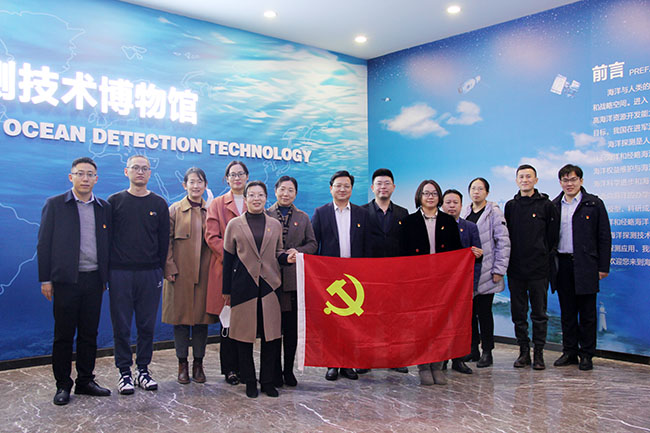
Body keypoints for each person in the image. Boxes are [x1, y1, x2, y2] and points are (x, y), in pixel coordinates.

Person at [37, 157, 112, 406]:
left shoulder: (103, 207)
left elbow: (108, 243)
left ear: (96, 179)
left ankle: (85, 381)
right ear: (71, 177)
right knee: (64, 335)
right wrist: (45, 279)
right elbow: (44, 243)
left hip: (94, 280)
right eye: (80, 174)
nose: (85, 178)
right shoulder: (55, 204)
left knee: (89, 333)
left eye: (90, 174)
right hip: (65, 281)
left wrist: (105, 277)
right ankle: (63, 384)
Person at [222, 181, 296, 398]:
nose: (256, 199)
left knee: (271, 337)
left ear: (266, 198)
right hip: (243, 288)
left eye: (260, 195)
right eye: (252, 195)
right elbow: (228, 259)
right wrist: (227, 291)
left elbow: (278, 252)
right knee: (244, 337)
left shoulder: (274, 224)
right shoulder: (234, 224)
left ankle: (267, 382)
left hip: (270, 287)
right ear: (245, 199)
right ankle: (249, 381)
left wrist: (287, 258)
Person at [108, 154, 170, 394]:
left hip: (150, 274)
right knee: (121, 326)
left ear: (150, 173)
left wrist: (159, 270)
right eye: (136, 168)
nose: (140, 172)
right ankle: (124, 372)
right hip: (120, 273)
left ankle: (143, 370)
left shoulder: (159, 204)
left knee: (146, 326)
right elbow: (107, 240)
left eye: (145, 168)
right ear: (127, 172)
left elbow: (163, 242)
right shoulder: (114, 202)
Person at [550, 164, 611, 371]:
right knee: (567, 311)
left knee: (587, 313)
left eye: (573, 179)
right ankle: (569, 352)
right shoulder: (554, 205)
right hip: (562, 264)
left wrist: (603, 267)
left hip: (586, 264)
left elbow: (604, 237)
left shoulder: (593, 204)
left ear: (581, 181)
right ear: (560, 183)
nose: (569, 184)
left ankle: (586, 354)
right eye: (565, 180)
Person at [311, 170, 369, 381]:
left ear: (352, 189)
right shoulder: (321, 213)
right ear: (331, 188)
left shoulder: (362, 214)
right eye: (338, 185)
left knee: (352, 322)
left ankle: (348, 363)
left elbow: (367, 246)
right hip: (330, 277)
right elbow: (314, 244)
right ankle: (332, 364)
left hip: (355, 276)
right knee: (332, 322)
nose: (342, 189)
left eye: (346, 186)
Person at [403, 180, 462, 385]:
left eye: (434, 193)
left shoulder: (448, 220)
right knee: (421, 326)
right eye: (426, 193)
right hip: (418, 282)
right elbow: (402, 255)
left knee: (441, 324)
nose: (430, 197)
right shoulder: (408, 221)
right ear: (419, 196)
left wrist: (471, 255)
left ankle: (438, 366)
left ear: (439, 197)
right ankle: (423, 366)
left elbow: (457, 252)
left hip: (443, 283)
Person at [162, 167, 217, 384]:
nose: (196, 186)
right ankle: (182, 364)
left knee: (202, 321)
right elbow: (166, 241)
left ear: (205, 185)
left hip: (205, 275)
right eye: (192, 182)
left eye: (200, 182)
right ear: (184, 185)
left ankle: (198, 364)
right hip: (179, 275)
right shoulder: (174, 210)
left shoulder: (211, 210)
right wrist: (169, 267)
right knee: (181, 321)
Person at [504, 164, 559, 370]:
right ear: (516, 180)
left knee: (539, 314)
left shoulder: (546, 205)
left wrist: (543, 254)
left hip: (539, 269)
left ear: (536, 180)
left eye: (529, 177)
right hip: (516, 269)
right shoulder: (511, 206)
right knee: (519, 314)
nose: (525, 180)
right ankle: (523, 352)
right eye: (521, 177)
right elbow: (507, 236)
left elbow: (552, 237)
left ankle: (539, 354)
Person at [266, 176, 318, 387]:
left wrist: (299, 251)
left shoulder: (303, 217)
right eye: (282, 189)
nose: (285, 194)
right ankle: (273, 371)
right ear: (275, 190)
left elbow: (313, 244)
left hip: (294, 283)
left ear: (296, 194)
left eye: (290, 190)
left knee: (291, 330)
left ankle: (288, 370)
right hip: (270, 281)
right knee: (271, 330)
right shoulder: (265, 215)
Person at [205, 161, 249, 386]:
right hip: (226, 270)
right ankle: (230, 369)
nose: (237, 178)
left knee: (246, 322)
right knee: (228, 322)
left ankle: (245, 367)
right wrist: (233, 257)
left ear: (247, 177)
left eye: (241, 174)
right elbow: (212, 237)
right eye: (232, 174)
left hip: (250, 272)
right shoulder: (217, 204)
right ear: (226, 179)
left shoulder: (254, 200)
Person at [361, 168, 409, 374]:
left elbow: (406, 246)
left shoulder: (403, 213)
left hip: (395, 276)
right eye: (379, 183)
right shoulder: (362, 212)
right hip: (369, 275)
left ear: (393, 187)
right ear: (372, 187)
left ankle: (394, 358)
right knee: (368, 318)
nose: (383, 187)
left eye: (387, 183)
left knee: (394, 318)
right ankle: (365, 359)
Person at [460, 178, 511, 368]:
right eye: (473, 188)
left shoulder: (494, 212)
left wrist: (499, 270)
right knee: (470, 314)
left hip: (488, 271)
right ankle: (472, 349)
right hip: (469, 273)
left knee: (484, 313)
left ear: (487, 192)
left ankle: (487, 351)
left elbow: (503, 242)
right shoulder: (466, 211)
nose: (476, 192)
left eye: (480, 189)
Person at [441, 189, 483, 374]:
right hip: (441, 285)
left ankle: (458, 360)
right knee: (442, 323)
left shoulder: (470, 227)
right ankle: (441, 359)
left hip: (463, 285)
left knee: (461, 324)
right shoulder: (436, 226)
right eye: (448, 202)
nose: (452, 206)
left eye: (455, 203)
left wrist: (473, 285)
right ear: (442, 205)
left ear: (461, 205)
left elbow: (477, 258)